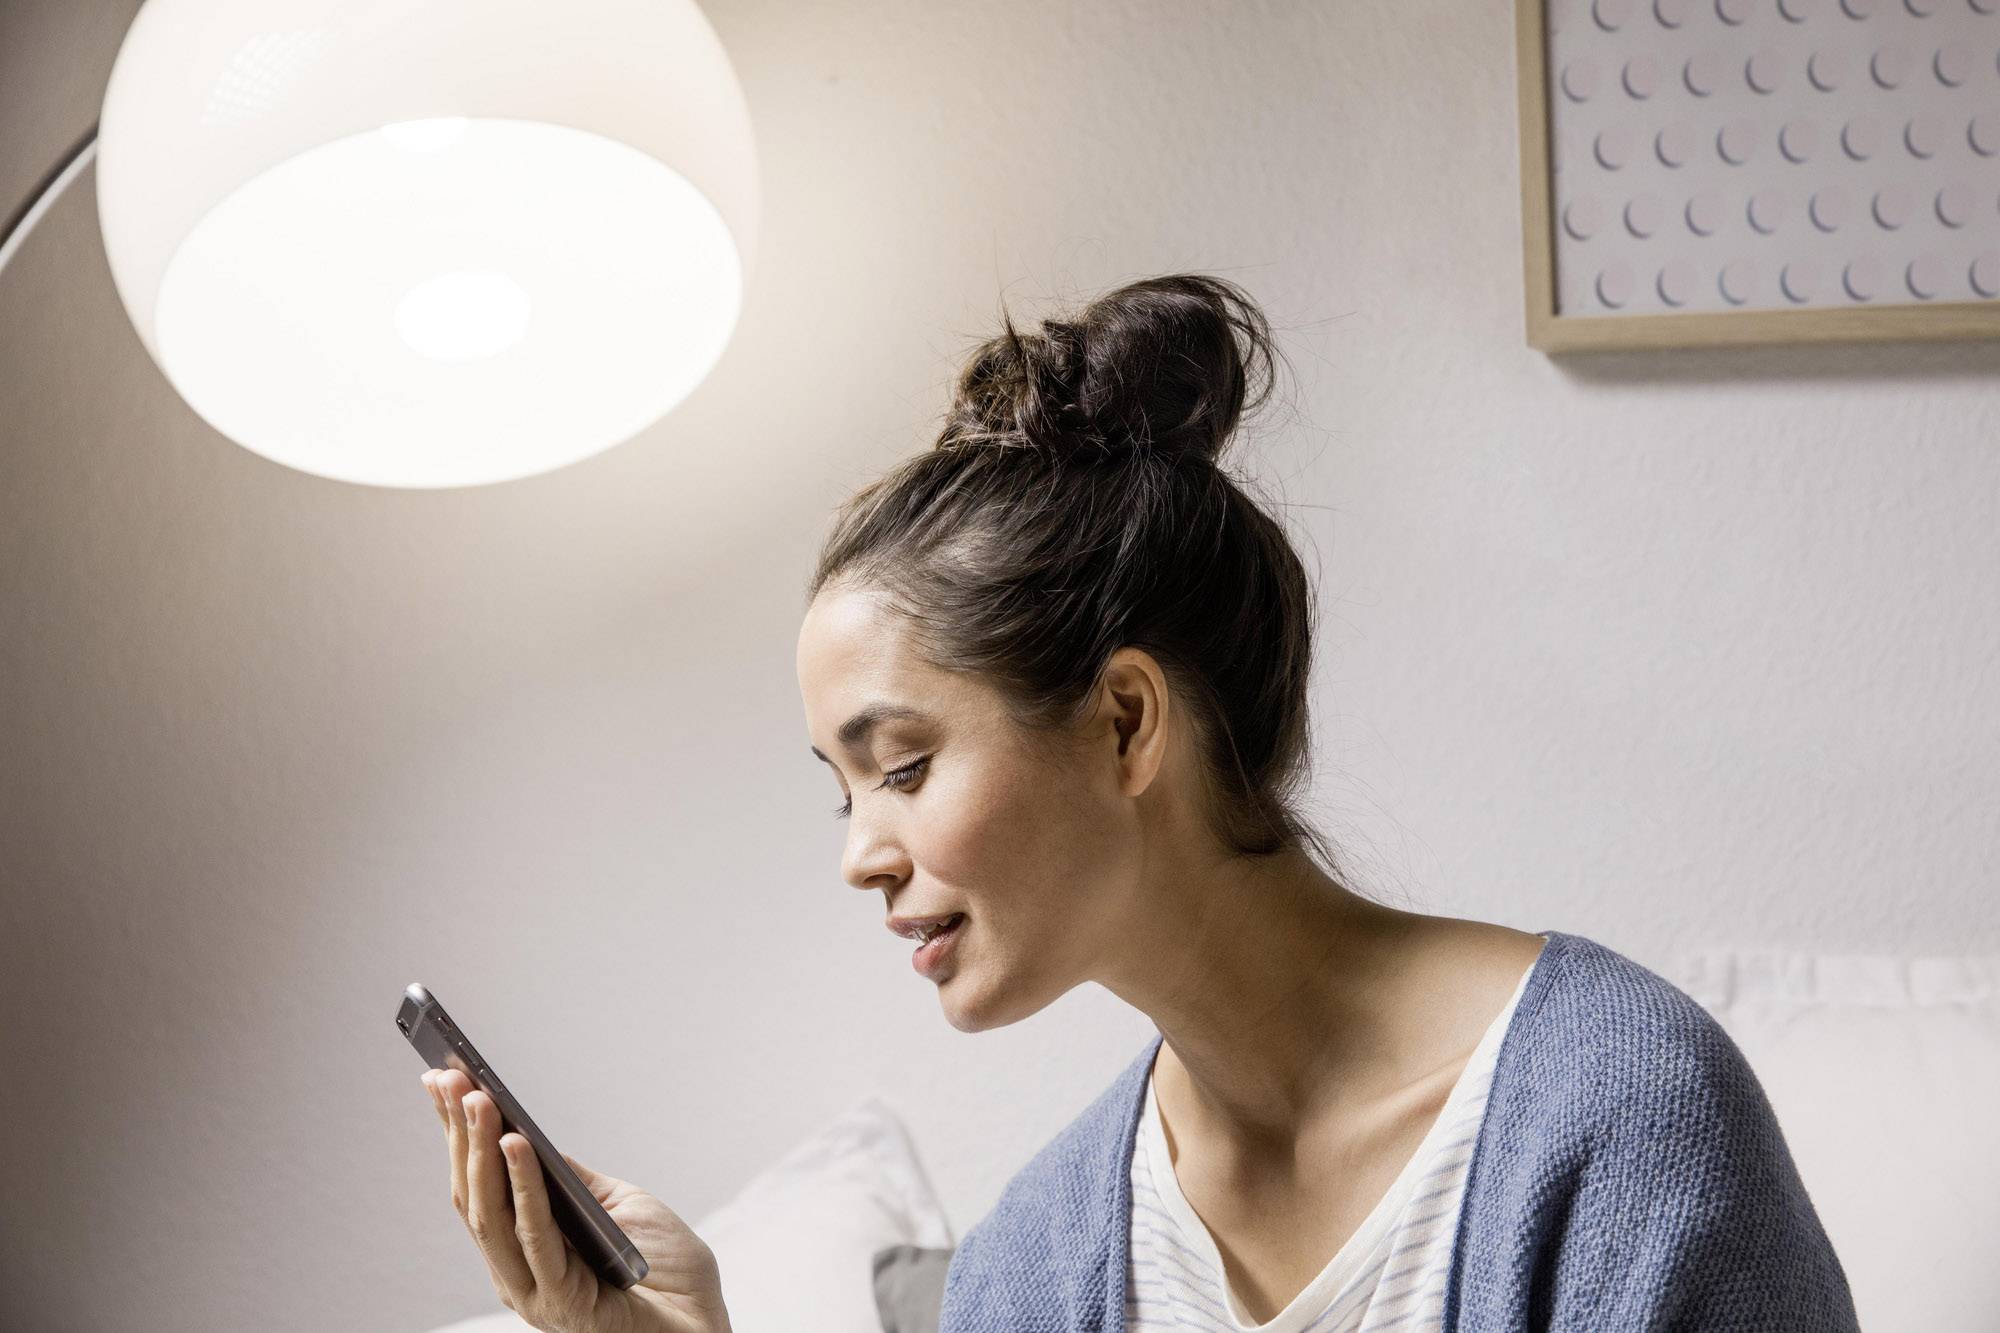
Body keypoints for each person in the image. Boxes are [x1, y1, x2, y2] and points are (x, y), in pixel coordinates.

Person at [421, 273, 1861, 1332]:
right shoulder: (1035, 1264)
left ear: (1124, 722)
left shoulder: (1621, 1126)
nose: (862, 853)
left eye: (904, 763)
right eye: (841, 787)